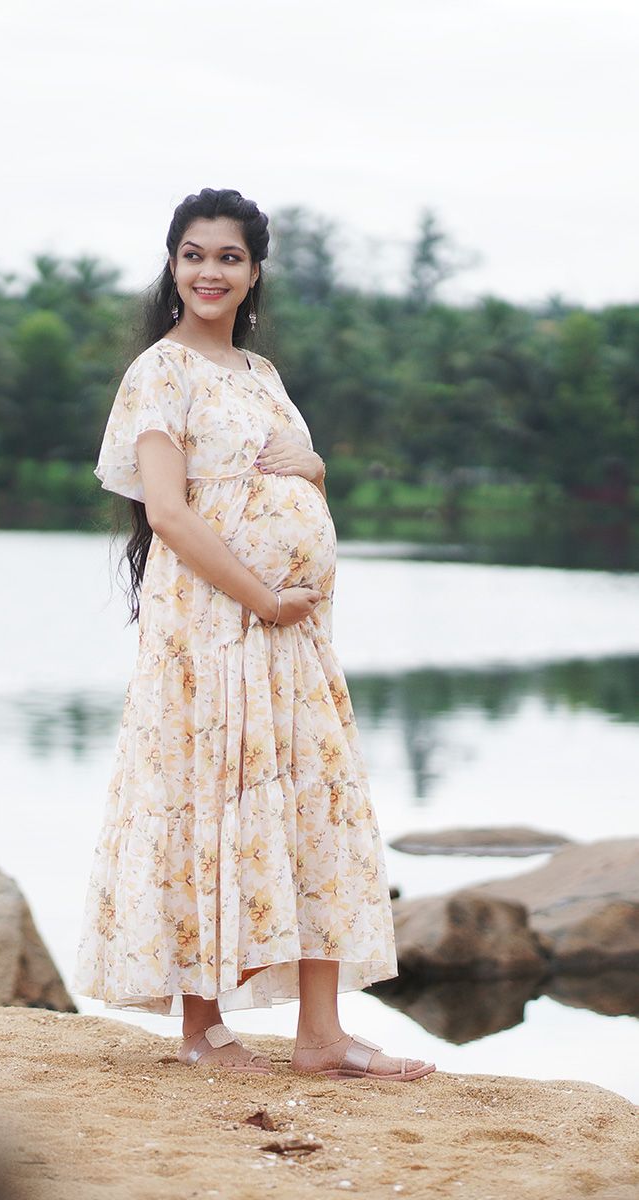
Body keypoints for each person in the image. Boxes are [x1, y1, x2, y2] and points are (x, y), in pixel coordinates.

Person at [71, 188, 435, 1082]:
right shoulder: (159, 372)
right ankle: (202, 1029)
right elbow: (169, 513)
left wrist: (315, 470)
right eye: (194, 254)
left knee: (315, 802)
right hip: (210, 628)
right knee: (207, 796)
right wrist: (260, 598)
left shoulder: (262, 377)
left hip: (292, 634)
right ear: (172, 265)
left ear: (253, 271)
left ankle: (321, 1035)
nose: (209, 272)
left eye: (228, 257)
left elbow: (288, 482)